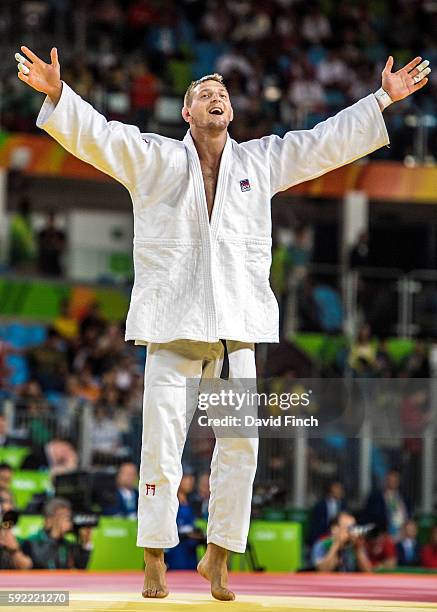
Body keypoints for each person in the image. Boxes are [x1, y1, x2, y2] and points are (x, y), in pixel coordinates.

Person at [16, 43, 430, 600]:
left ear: (230, 113)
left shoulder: (260, 161)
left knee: (242, 444)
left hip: (236, 326)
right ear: (186, 113)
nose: (215, 97)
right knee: (162, 442)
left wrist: (383, 98)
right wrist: (58, 94)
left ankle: (217, 557)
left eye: (223, 95)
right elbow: (102, 136)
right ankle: (156, 556)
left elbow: (322, 144)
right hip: (172, 324)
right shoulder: (155, 158)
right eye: (203, 93)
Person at [21, 498, 92, 569]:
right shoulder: (31, 542)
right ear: (49, 519)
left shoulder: (68, 545)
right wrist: (55, 534)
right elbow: (41, 565)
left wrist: (86, 541)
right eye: (63, 516)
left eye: (69, 517)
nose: (68, 521)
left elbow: (81, 569)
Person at [364, 469, 410, 541]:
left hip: (402, 535)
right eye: (391, 478)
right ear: (386, 479)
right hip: (384, 536)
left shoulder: (404, 498)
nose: (393, 481)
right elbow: (370, 518)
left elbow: (409, 517)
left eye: (395, 478)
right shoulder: (376, 497)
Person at [0, 489, 33, 570]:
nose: (7, 506)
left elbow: (27, 567)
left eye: (10, 502)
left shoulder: (22, 539)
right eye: (2, 501)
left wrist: (14, 549)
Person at [309, 480, 346, 544]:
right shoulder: (320, 505)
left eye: (340, 489)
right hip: (322, 535)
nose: (340, 491)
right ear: (331, 490)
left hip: (339, 535)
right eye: (337, 488)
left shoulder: (343, 505)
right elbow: (315, 525)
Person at [37, 211, 66, 276]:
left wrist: (54, 239)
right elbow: (40, 246)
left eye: (52, 220)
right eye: (50, 220)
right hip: (44, 266)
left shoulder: (60, 234)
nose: (51, 222)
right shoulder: (42, 233)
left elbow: (61, 248)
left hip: (56, 266)